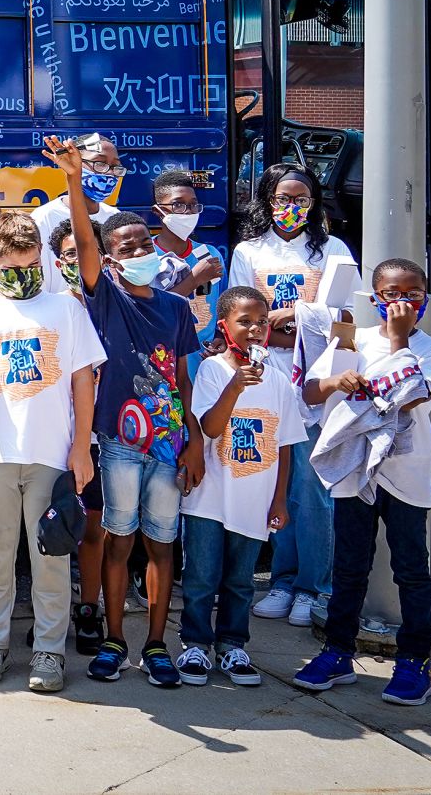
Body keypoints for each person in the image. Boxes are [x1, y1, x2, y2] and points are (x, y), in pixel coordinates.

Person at [48, 138, 204, 690]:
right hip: (118, 441)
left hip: (168, 444)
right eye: (127, 244)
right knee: (118, 539)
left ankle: (157, 643)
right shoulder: (104, 296)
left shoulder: (178, 307)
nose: (139, 248)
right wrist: (72, 180)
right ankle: (115, 640)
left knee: (161, 543)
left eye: (144, 240)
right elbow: (84, 239)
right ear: (111, 259)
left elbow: (185, 379)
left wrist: (196, 440)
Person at [0, 210, 105, 695]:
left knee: (50, 554)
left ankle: (50, 651)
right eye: (12, 269)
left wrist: (81, 447)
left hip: (51, 455)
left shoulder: (66, 308)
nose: (24, 277)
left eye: (32, 265)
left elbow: (83, 378)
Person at [294, 259, 431, 708]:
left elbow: (417, 393)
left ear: (425, 299)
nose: (401, 302)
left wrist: (400, 340)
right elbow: (309, 392)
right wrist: (333, 381)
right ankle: (338, 652)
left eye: (413, 294)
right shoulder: (354, 340)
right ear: (375, 298)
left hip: (406, 471)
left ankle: (414, 662)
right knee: (348, 567)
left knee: (410, 569)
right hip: (354, 470)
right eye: (391, 294)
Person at [231, 162, 355, 631]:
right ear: (265, 201)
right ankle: (282, 582)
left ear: (314, 203)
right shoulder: (249, 251)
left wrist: (289, 316)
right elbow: (247, 321)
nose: (290, 207)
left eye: (300, 199)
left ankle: (313, 588)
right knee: (277, 486)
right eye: (281, 198)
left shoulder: (334, 252)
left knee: (312, 490)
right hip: (267, 381)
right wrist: (301, 321)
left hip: (316, 384)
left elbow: (344, 321)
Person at [179, 286, 302, 688]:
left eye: (262, 322)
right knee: (201, 576)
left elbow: (284, 445)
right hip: (210, 498)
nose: (254, 329)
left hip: (255, 497)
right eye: (244, 321)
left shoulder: (280, 379)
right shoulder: (212, 370)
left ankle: (232, 645)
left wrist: (279, 498)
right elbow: (210, 428)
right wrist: (235, 386)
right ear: (224, 326)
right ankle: (194, 644)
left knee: (240, 580)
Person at [46, 212, 110, 656]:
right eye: (66, 253)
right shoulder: (48, 306)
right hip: (56, 435)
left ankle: (90, 607)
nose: (76, 260)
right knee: (53, 525)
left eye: (82, 252)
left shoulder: (112, 303)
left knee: (93, 526)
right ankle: (51, 614)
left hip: (105, 435)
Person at [31, 133, 122, 286]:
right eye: (99, 163)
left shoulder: (115, 217)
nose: (109, 172)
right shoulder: (44, 217)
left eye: (115, 166)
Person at [149, 170, 224, 348]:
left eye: (193, 205)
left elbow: (222, 307)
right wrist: (195, 279)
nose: (188, 212)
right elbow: (150, 310)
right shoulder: (146, 256)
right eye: (178, 205)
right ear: (158, 211)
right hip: (163, 357)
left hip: (203, 360)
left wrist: (220, 338)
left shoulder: (210, 254)